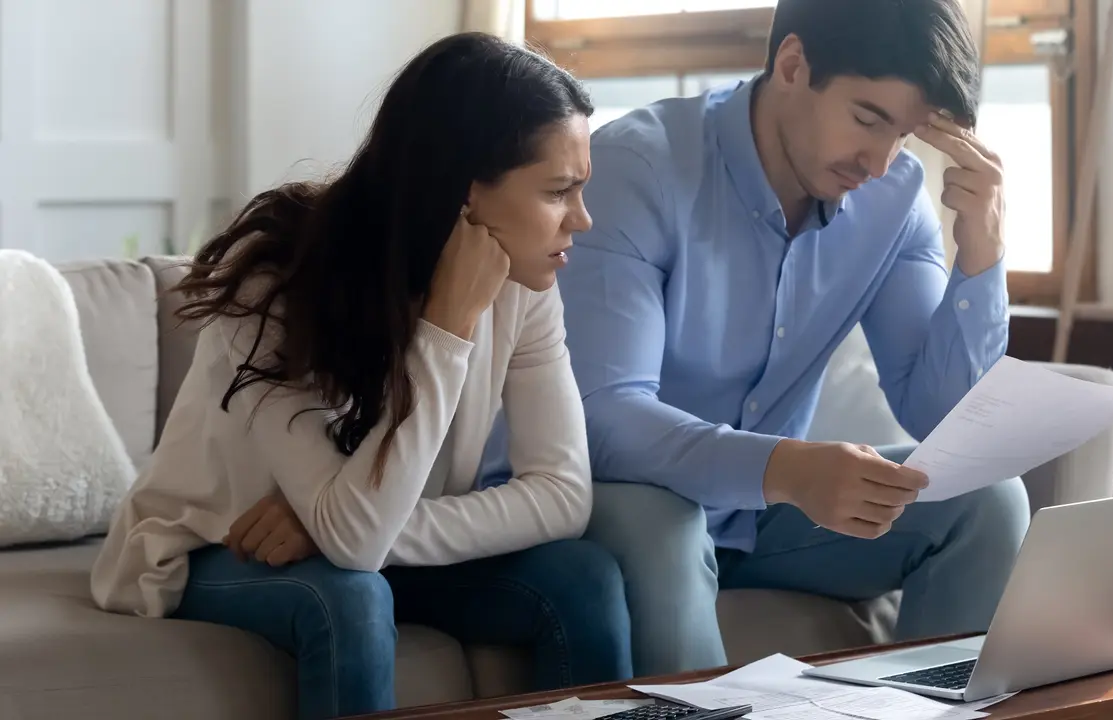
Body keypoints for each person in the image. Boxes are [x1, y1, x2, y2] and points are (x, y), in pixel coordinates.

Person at [478, 0, 1030, 676]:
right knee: (667, 524)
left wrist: (982, 253)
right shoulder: (638, 169)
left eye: (908, 135)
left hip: (759, 515)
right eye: (867, 119)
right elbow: (602, 416)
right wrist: (787, 470)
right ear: (793, 64)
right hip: (611, 497)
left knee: (987, 500)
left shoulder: (895, 202)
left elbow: (944, 423)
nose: (882, 163)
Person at [90, 32, 631, 719]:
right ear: (464, 193)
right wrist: (447, 326)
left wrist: (334, 526)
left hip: (362, 539)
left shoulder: (526, 287)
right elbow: (356, 548)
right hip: (210, 545)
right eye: (560, 191)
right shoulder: (274, 283)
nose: (582, 220)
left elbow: (561, 496)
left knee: (581, 578)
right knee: (345, 594)